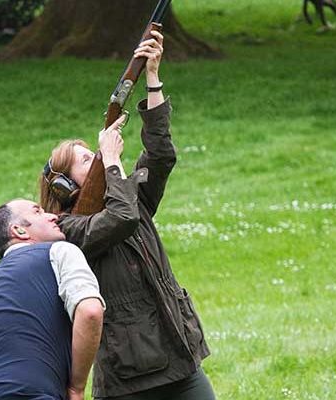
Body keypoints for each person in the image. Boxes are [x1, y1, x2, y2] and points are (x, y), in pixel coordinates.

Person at [39, 31, 215, 400]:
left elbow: (161, 157)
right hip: (128, 377)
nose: (99, 159)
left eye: (96, 154)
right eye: (87, 160)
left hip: (177, 353)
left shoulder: (127, 196)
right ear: (65, 188)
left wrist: (152, 78)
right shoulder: (68, 230)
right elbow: (121, 219)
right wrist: (114, 161)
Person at [0, 199, 105, 400]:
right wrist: (76, 387)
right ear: (19, 231)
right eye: (38, 212)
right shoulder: (58, 251)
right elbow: (90, 312)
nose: (53, 216)